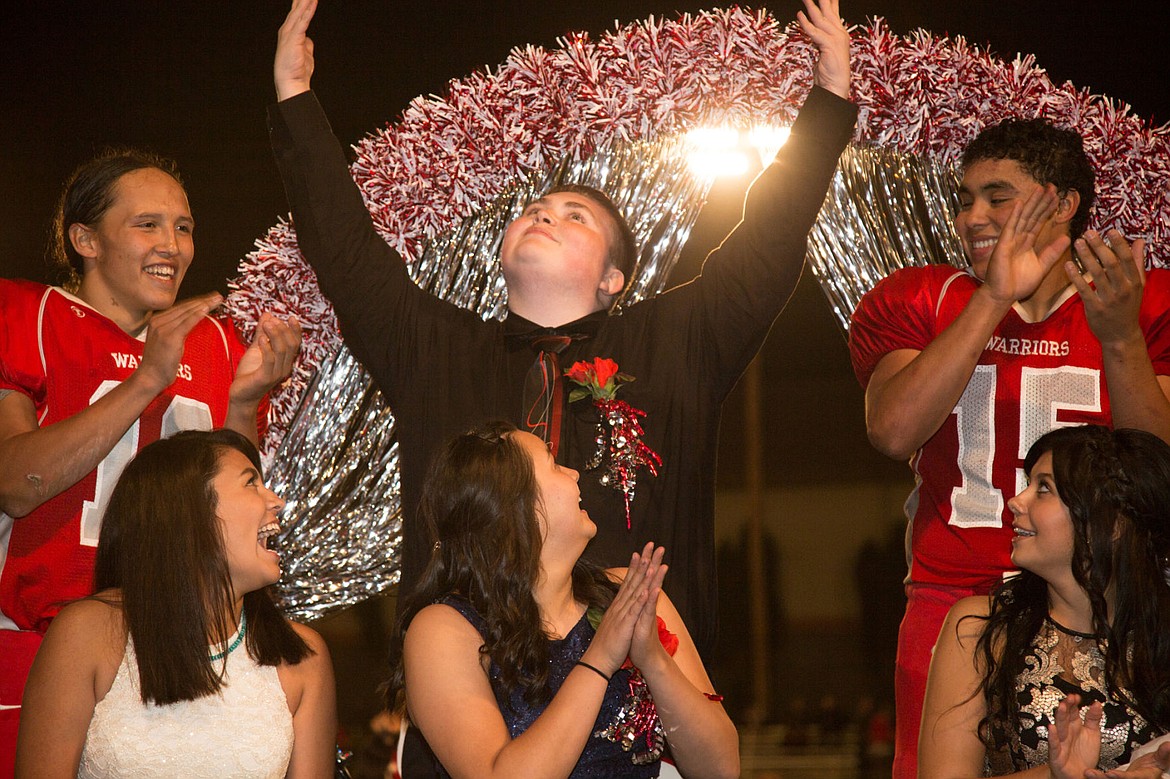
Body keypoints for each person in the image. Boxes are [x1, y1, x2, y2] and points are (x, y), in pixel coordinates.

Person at [269, 0, 857, 656]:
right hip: (464, 691)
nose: (543, 215)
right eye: (534, 208)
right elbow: (347, 254)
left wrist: (830, 100)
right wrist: (295, 97)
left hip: (641, 697)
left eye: (575, 215)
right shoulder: (433, 349)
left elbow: (769, 238)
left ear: (614, 279)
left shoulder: (677, 343)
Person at [848, 118, 1170, 777]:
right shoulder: (930, 298)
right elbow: (892, 429)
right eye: (964, 199)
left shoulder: (1131, 301)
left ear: (1062, 202)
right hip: (952, 601)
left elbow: (1157, 470)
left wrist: (1120, 340)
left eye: (997, 196)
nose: (972, 216)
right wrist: (993, 297)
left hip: (1106, 605)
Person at [0, 150, 301, 772]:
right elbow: (15, 484)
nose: (173, 244)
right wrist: (147, 380)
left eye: (184, 226)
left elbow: (226, 502)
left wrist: (242, 403)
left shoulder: (213, 340)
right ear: (85, 239)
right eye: (148, 224)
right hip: (34, 634)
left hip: (174, 644)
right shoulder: (26, 315)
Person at [386, 421, 738, 779]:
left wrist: (654, 660)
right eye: (554, 464)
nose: (573, 473)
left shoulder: (627, 596)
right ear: (515, 505)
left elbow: (721, 769)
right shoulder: (442, 629)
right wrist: (600, 658)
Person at [15, 428, 337, 778]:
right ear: (190, 510)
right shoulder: (87, 633)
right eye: (250, 483)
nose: (276, 501)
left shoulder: (302, 657)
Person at [918, 425, 1170, 778]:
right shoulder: (983, 629)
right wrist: (1054, 774)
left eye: (1044, 489)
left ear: (1113, 523)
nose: (1016, 501)